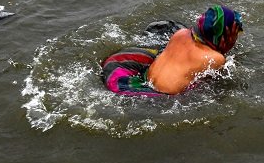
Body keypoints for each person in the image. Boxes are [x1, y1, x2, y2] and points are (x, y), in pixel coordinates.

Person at [101, 5, 243, 96]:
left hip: (134, 77)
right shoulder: (216, 59)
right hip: (156, 97)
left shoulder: (181, 34)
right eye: (235, 34)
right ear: (225, 36)